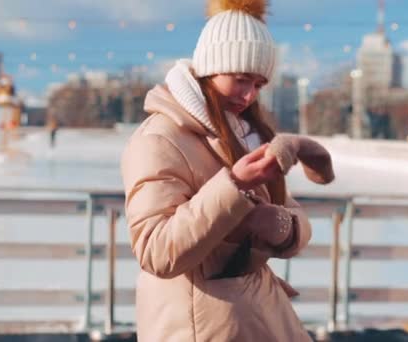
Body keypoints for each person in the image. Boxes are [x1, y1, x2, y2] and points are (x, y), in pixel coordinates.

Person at [120, 0, 313, 341]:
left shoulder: (242, 133)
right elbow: (156, 251)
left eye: (258, 84)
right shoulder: (159, 138)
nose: (249, 95)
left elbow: (294, 215)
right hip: (200, 326)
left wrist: (282, 227)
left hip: (255, 316)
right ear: (211, 68)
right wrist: (234, 185)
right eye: (241, 80)